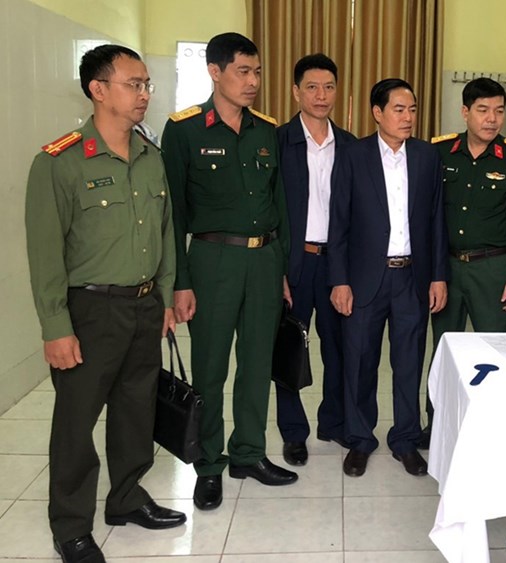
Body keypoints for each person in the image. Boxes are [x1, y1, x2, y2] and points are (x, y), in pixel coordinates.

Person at [25, 44, 185, 563]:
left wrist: (163, 297)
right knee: (76, 422)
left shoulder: (151, 157)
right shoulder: (60, 162)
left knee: (136, 409)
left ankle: (126, 498)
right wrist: (55, 326)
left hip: (143, 305)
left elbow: (165, 233)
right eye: (133, 84)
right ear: (98, 89)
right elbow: (45, 253)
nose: (144, 94)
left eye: (146, 85)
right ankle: (71, 525)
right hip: (90, 311)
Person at [161, 32, 296, 512]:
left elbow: (279, 203)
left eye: (257, 71)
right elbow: (174, 214)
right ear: (215, 72)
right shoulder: (184, 130)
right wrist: (179, 282)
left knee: (257, 363)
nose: (253, 81)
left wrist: (282, 268)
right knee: (211, 367)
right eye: (243, 71)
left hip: (264, 260)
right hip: (212, 260)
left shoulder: (266, 130)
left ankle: (249, 453)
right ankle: (209, 464)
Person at [329, 78, 449, 478]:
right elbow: (338, 222)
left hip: (412, 276)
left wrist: (438, 276)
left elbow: (436, 220)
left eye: (412, 109)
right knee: (360, 361)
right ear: (377, 113)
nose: (408, 117)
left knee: (409, 361)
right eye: (399, 109)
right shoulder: (353, 155)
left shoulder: (426, 156)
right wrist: (339, 280)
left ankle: (405, 439)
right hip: (365, 277)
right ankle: (360, 439)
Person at [422, 77, 506, 446]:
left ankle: (491, 426)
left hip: (494, 269)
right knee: (444, 349)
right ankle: (437, 424)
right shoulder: (439, 153)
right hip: (447, 269)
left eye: (499, 111)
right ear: (465, 112)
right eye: (483, 110)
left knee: (495, 351)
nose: (492, 119)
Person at [275, 53, 356, 466]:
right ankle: (293, 432)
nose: (321, 95)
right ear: (296, 92)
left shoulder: (352, 146)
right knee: (289, 346)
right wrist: (277, 270)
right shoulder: (277, 142)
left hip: (337, 264)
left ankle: (334, 421)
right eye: (312, 87)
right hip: (295, 263)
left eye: (328, 87)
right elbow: (268, 212)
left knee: (339, 347)